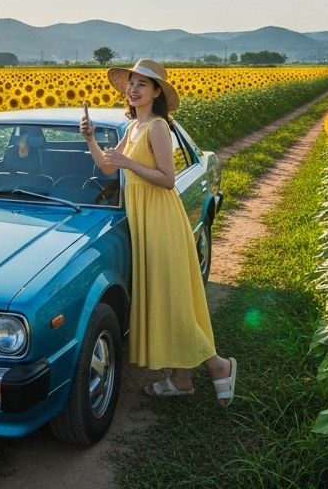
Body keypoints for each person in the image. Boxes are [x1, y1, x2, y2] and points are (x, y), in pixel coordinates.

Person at [80, 59, 237, 403]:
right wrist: (91, 139)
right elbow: (107, 165)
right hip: (143, 221)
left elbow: (167, 180)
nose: (133, 89)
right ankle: (181, 378)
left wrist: (128, 164)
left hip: (162, 219)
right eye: (131, 83)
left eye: (142, 84)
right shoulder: (132, 128)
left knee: (173, 301)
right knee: (164, 299)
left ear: (156, 93)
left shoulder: (158, 128)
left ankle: (219, 365)